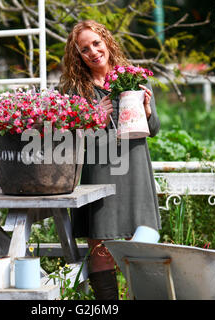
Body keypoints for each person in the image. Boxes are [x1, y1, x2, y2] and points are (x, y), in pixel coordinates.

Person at [59, 20, 161, 300]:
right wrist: (94, 117)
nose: (92, 52)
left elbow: (153, 130)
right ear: (77, 55)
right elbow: (69, 142)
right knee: (101, 248)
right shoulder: (76, 91)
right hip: (101, 173)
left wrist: (148, 109)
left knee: (141, 245)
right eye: (84, 49)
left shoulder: (133, 78)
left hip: (136, 168)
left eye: (96, 43)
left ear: (106, 42)